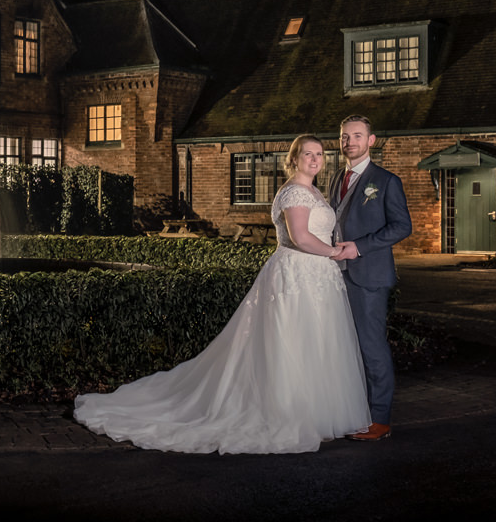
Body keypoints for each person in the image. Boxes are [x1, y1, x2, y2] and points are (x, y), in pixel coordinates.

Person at [73, 135, 371, 455]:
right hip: (297, 273)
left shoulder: (314, 191)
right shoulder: (295, 191)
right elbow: (299, 237)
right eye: (307, 154)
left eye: (319, 154)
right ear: (293, 159)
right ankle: (288, 411)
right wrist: (335, 253)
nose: (314, 159)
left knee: (318, 341)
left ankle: (316, 411)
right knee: (292, 341)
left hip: (320, 277)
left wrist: (331, 253)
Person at [331, 115, 412, 441]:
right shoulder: (338, 177)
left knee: (371, 347)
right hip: (337, 276)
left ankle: (379, 420)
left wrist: (359, 248)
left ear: (371, 140)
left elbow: (402, 227)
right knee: (345, 348)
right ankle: (353, 414)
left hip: (369, 277)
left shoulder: (387, 180)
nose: (349, 141)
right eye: (344, 136)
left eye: (357, 136)